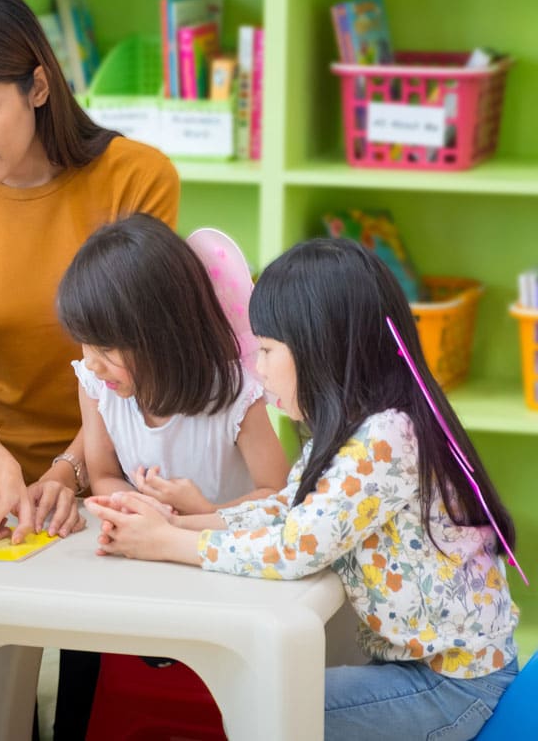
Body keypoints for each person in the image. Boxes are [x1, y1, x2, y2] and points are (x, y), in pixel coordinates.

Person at [86, 238, 520, 741]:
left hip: (452, 689)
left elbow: (298, 547)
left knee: (268, 708)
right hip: (421, 675)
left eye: (267, 349)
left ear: (322, 347)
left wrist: (168, 543)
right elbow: (288, 509)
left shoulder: (386, 437)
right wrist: (182, 522)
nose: (259, 367)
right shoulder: (351, 429)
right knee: (262, 697)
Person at [0, 0, 181, 551]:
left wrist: (69, 468)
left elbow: (139, 361)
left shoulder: (138, 178)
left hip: (117, 474)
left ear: (38, 87)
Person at [56, 213, 289, 513]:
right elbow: (105, 476)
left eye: (106, 348)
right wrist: (141, 507)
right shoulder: (98, 389)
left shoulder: (235, 396)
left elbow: (277, 494)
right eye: (85, 342)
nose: (91, 364)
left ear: (163, 334)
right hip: (151, 550)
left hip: (220, 549)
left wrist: (200, 512)